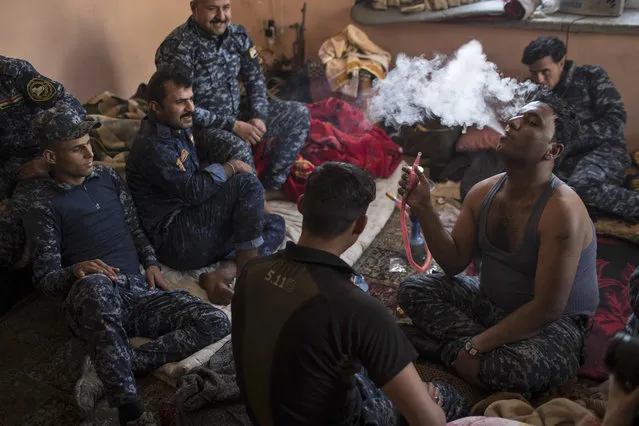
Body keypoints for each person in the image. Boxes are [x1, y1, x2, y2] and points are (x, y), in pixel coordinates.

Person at [25, 105, 231, 425]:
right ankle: (130, 409)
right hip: (93, 298)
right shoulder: (41, 202)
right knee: (94, 285)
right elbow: (45, 279)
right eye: (77, 149)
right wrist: (75, 270)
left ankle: (113, 364)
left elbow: (135, 228)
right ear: (51, 157)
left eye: (89, 143)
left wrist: (150, 263)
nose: (89, 153)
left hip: (137, 293)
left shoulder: (107, 177)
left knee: (215, 321)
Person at [231, 162, 469, 426]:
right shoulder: (359, 309)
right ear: (361, 225)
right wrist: (426, 396)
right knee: (446, 396)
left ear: (300, 205)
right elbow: (430, 422)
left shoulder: (252, 271)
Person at [397, 93, 600, 397]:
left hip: (552, 325)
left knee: (523, 366)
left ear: (552, 150)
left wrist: (475, 345)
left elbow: (547, 309)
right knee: (413, 289)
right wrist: (424, 208)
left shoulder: (562, 212)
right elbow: (453, 263)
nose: (512, 122)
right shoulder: (482, 192)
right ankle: (466, 357)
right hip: (490, 302)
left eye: (531, 122)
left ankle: (445, 350)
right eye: (517, 115)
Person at [126, 69, 286, 305]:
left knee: (274, 224)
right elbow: (193, 190)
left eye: (191, 99)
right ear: (155, 107)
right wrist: (229, 168)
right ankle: (249, 284)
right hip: (177, 237)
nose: (190, 107)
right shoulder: (152, 145)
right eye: (180, 101)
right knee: (247, 184)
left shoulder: (177, 126)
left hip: (195, 224)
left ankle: (218, 276)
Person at [155, 0, 310, 201]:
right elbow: (180, 108)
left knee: (298, 113)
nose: (222, 15)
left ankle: (269, 187)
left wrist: (258, 116)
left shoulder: (238, 34)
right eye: (212, 9)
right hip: (199, 128)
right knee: (239, 148)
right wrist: (233, 126)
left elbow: (255, 80)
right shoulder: (178, 46)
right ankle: (255, 204)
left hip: (237, 114)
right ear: (194, 8)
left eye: (226, 7)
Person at [0, 56, 85, 312]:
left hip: (36, 161)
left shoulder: (13, 74)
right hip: (5, 171)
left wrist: (49, 163)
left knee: (10, 232)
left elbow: (72, 110)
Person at [522, 36, 635, 218]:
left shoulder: (591, 76)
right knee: (539, 191)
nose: (539, 79)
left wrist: (569, 138)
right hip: (564, 158)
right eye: (534, 73)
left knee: (583, 186)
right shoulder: (533, 91)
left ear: (561, 63)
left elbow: (616, 120)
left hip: (604, 150)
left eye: (545, 71)